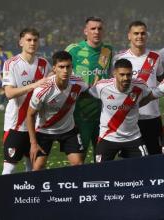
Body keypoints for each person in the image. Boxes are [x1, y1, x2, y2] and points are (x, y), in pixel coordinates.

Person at [27, 51, 88, 170]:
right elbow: (30, 115)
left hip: (68, 130)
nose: (65, 70)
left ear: (72, 67)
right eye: (61, 67)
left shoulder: (79, 83)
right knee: (38, 167)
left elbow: (90, 89)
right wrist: (33, 144)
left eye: (68, 67)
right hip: (45, 131)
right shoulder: (42, 90)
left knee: (78, 165)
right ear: (54, 68)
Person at [1, 28, 51, 175]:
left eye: (35, 40)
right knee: (9, 168)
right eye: (29, 40)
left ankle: (30, 198)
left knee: (34, 168)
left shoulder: (44, 64)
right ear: (21, 42)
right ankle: (3, 197)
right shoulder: (11, 64)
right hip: (16, 125)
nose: (32, 43)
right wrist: (34, 85)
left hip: (36, 125)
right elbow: (9, 93)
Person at [112, 21, 164, 155]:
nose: (139, 36)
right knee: (130, 160)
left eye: (143, 33)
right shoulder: (119, 58)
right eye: (136, 33)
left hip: (152, 117)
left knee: (155, 157)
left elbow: (161, 79)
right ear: (129, 36)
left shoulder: (155, 57)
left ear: (147, 35)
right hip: (129, 118)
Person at [66, 16, 113, 162]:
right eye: (93, 28)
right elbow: (60, 74)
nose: (96, 31)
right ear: (85, 31)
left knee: (103, 158)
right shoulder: (73, 50)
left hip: (103, 114)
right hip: (80, 114)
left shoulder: (107, 51)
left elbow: (109, 75)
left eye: (100, 28)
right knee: (79, 159)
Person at [89, 59, 150, 162]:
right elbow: (88, 92)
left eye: (129, 74)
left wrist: (136, 104)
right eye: (122, 74)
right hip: (108, 137)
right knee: (100, 172)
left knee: (144, 168)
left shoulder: (140, 86)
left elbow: (150, 96)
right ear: (114, 73)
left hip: (133, 137)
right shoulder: (101, 87)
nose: (126, 78)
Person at [0, 44, 9, 111]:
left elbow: (6, 62)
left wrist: (2, 73)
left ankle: (9, 103)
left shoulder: (3, 54)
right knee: (0, 89)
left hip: (1, 74)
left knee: (4, 89)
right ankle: (2, 105)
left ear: (0, 49)